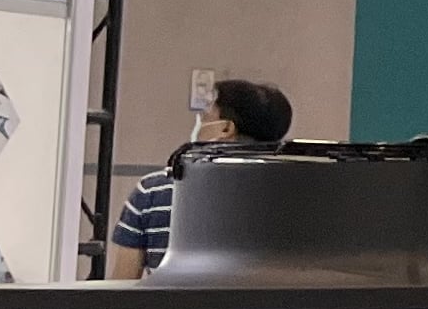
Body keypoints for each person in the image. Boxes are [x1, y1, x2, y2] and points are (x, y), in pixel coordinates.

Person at [108, 78, 294, 276]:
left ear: (226, 129)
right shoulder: (292, 197)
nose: (199, 123)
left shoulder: (154, 192)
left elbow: (123, 284)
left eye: (205, 116)